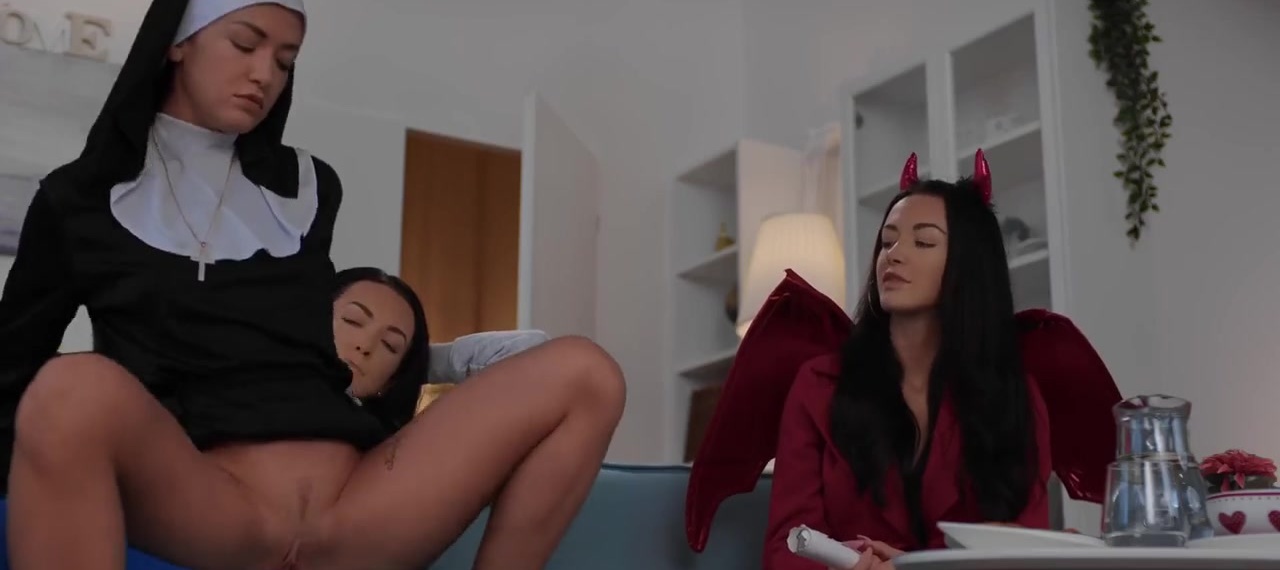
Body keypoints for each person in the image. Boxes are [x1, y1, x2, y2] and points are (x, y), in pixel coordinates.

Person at [0, 2, 625, 569]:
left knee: (586, 372)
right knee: (69, 386)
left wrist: (434, 361)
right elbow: (12, 370)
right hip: (220, 510)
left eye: (285, 60)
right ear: (178, 41)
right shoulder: (76, 201)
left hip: (359, 504)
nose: (264, 75)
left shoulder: (308, 189)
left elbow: (297, 343)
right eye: (245, 44)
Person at [677, 152, 1124, 570]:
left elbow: (1022, 550)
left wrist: (916, 566)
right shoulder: (820, 384)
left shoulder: (1016, 396)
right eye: (887, 241)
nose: (894, 254)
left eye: (923, 241)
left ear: (968, 266)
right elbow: (785, 546)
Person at [331, 266, 549, 431]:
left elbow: (533, 349)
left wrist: (415, 364)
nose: (366, 345)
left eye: (390, 345)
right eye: (353, 320)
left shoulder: (381, 451)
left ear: (391, 381)